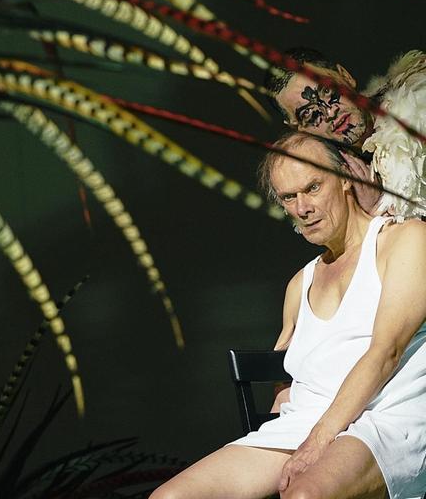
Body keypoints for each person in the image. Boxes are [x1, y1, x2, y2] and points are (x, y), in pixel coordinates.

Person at [150, 132, 426, 499]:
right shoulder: (300, 284)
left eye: (313, 187)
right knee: (170, 498)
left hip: (385, 419)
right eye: (288, 197)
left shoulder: (403, 239)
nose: (302, 207)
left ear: (346, 177)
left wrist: (318, 442)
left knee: (303, 496)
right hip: (307, 422)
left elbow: (385, 352)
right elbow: (286, 381)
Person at [266, 46, 426, 220]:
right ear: (298, 128)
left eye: (327, 91)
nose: (330, 113)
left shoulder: (420, 104)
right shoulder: (334, 182)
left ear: (345, 76)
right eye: (310, 114)